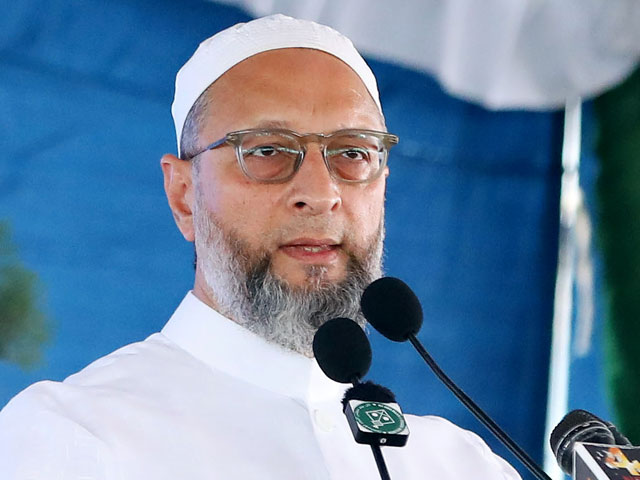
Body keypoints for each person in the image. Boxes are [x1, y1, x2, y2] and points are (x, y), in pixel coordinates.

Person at [0, 14, 521, 479]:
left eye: (353, 153)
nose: (321, 193)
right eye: (267, 150)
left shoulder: (461, 463)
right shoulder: (74, 437)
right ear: (183, 196)